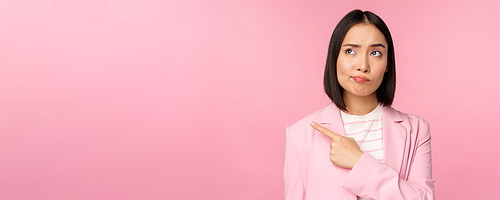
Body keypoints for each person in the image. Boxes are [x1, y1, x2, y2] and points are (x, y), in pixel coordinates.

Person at [284, 10, 435, 199]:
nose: (363, 65)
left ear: (387, 64)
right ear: (334, 58)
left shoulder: (417, 130)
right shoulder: (299, 134)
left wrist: (359, 162)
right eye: (350, 51)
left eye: (375, 53)